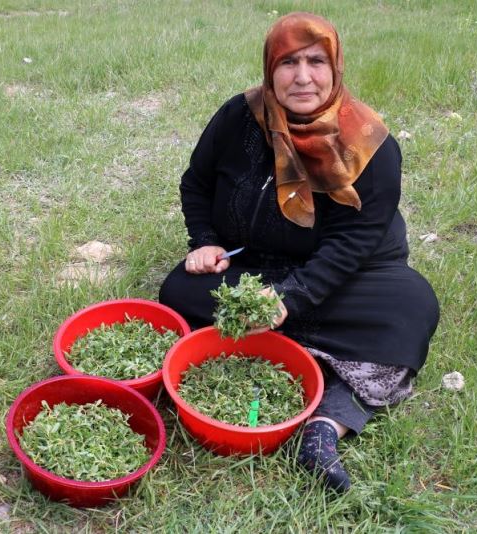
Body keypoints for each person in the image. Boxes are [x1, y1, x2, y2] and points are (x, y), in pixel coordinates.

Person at [159, 12, 439, 492]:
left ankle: (325, 427)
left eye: (316, 61)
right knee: (179, 289)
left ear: (335, 69)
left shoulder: (371, 145)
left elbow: (352, 243)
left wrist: (289, 299)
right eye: (288, 62)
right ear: (270, 69)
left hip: (346, 275)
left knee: (410, 307)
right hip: (255, 265)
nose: (303, 77)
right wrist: (205, 242)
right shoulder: (238, 118)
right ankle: (300, 346)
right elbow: (197, 184)